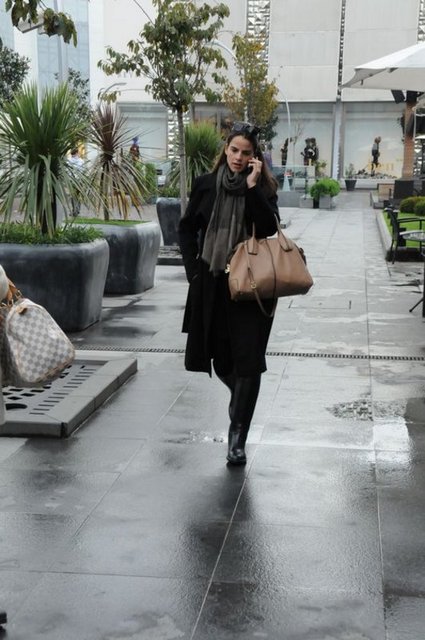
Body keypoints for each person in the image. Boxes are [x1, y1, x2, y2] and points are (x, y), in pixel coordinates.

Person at [178, 121, 279, 466]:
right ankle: (242, 399)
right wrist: (193, 271)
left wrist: (251, 190)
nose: (238, 157)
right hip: (212, 282)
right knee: (220, 357)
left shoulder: (263, 188)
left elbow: (269, 228)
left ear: (255, 157)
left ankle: (237, 436)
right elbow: (186, 228)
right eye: (234, 150)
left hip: (251, 286)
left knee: (249, 361)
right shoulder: (206, 185)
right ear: (225, 150)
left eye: (246, 153)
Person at [68, 148, 84, 216]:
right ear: (77, 153)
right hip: (79, 180)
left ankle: (74, 210)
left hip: (71, 180)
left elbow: (67, 171)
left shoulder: (68, 160)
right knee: (78, 195)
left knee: (72, 196)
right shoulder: (81, 161)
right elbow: (83, 170)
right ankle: (77, 210)